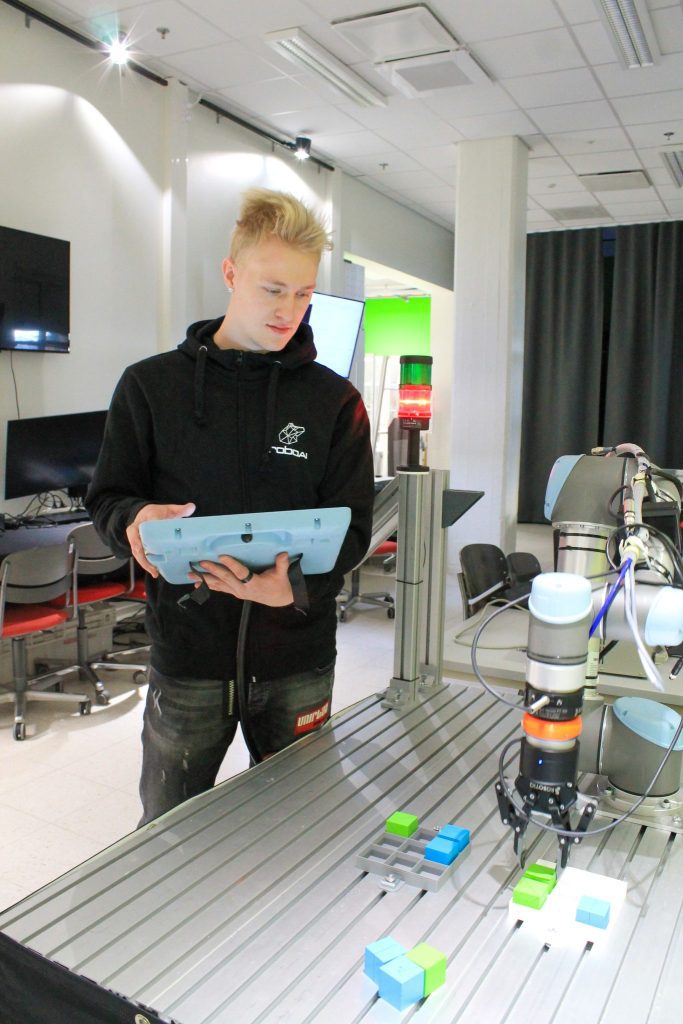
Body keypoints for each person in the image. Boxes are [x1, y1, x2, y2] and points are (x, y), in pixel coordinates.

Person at [87, 188, 375, 824]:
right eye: (274, 290)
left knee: (295, 826)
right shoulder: (150, 387)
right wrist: (134, 521)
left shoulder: (336, 402)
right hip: (188, 660)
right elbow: (107, 496)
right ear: (230, 273)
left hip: (297, 657)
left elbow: (354, 525)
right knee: (169, 830)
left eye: (304, 294)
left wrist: (292, 588)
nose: (291, 311)